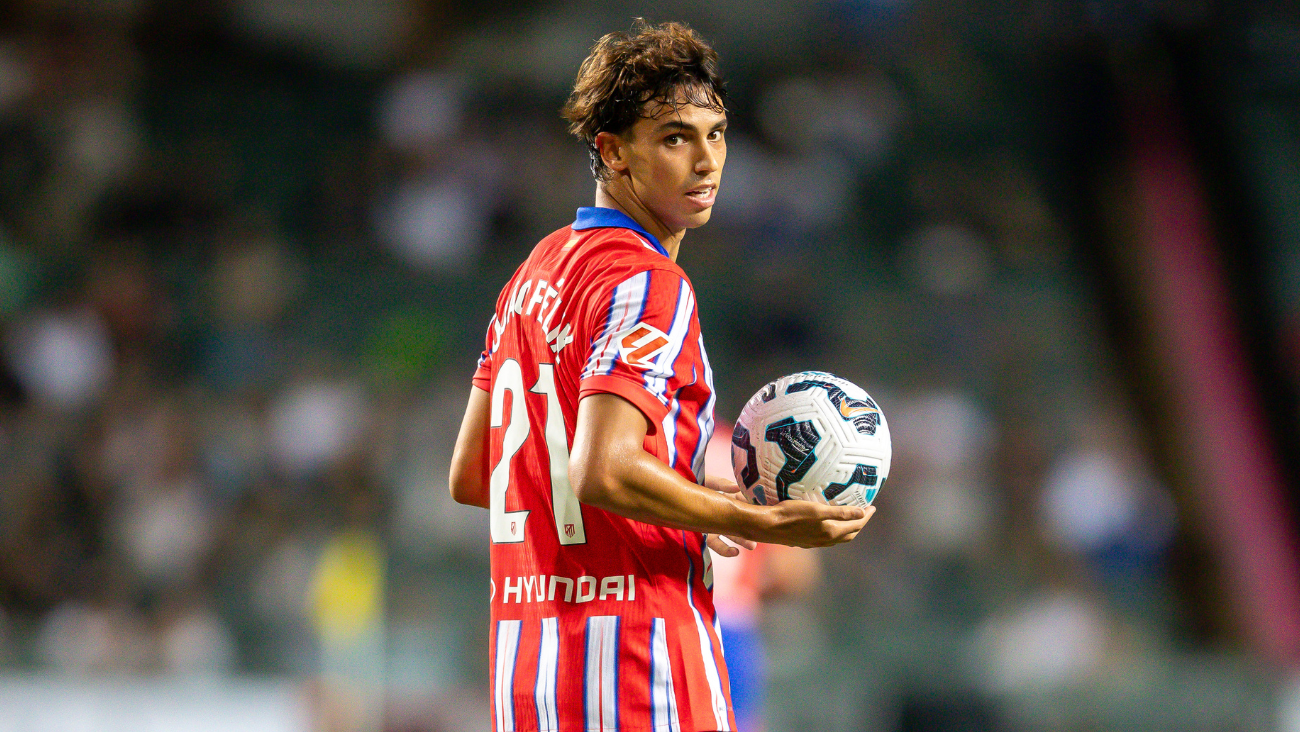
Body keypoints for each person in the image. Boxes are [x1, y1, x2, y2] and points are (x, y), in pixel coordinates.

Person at [449, 20, 874, 732]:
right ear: (612, 151)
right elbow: (602, 471)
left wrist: (684, 493)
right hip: (640, 664)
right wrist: (757, 519)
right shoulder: (649, 283)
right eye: (675, 137)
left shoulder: (534, 273)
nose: (707, 161)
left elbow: (473, 471)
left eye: (716, 134)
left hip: (529, 673)